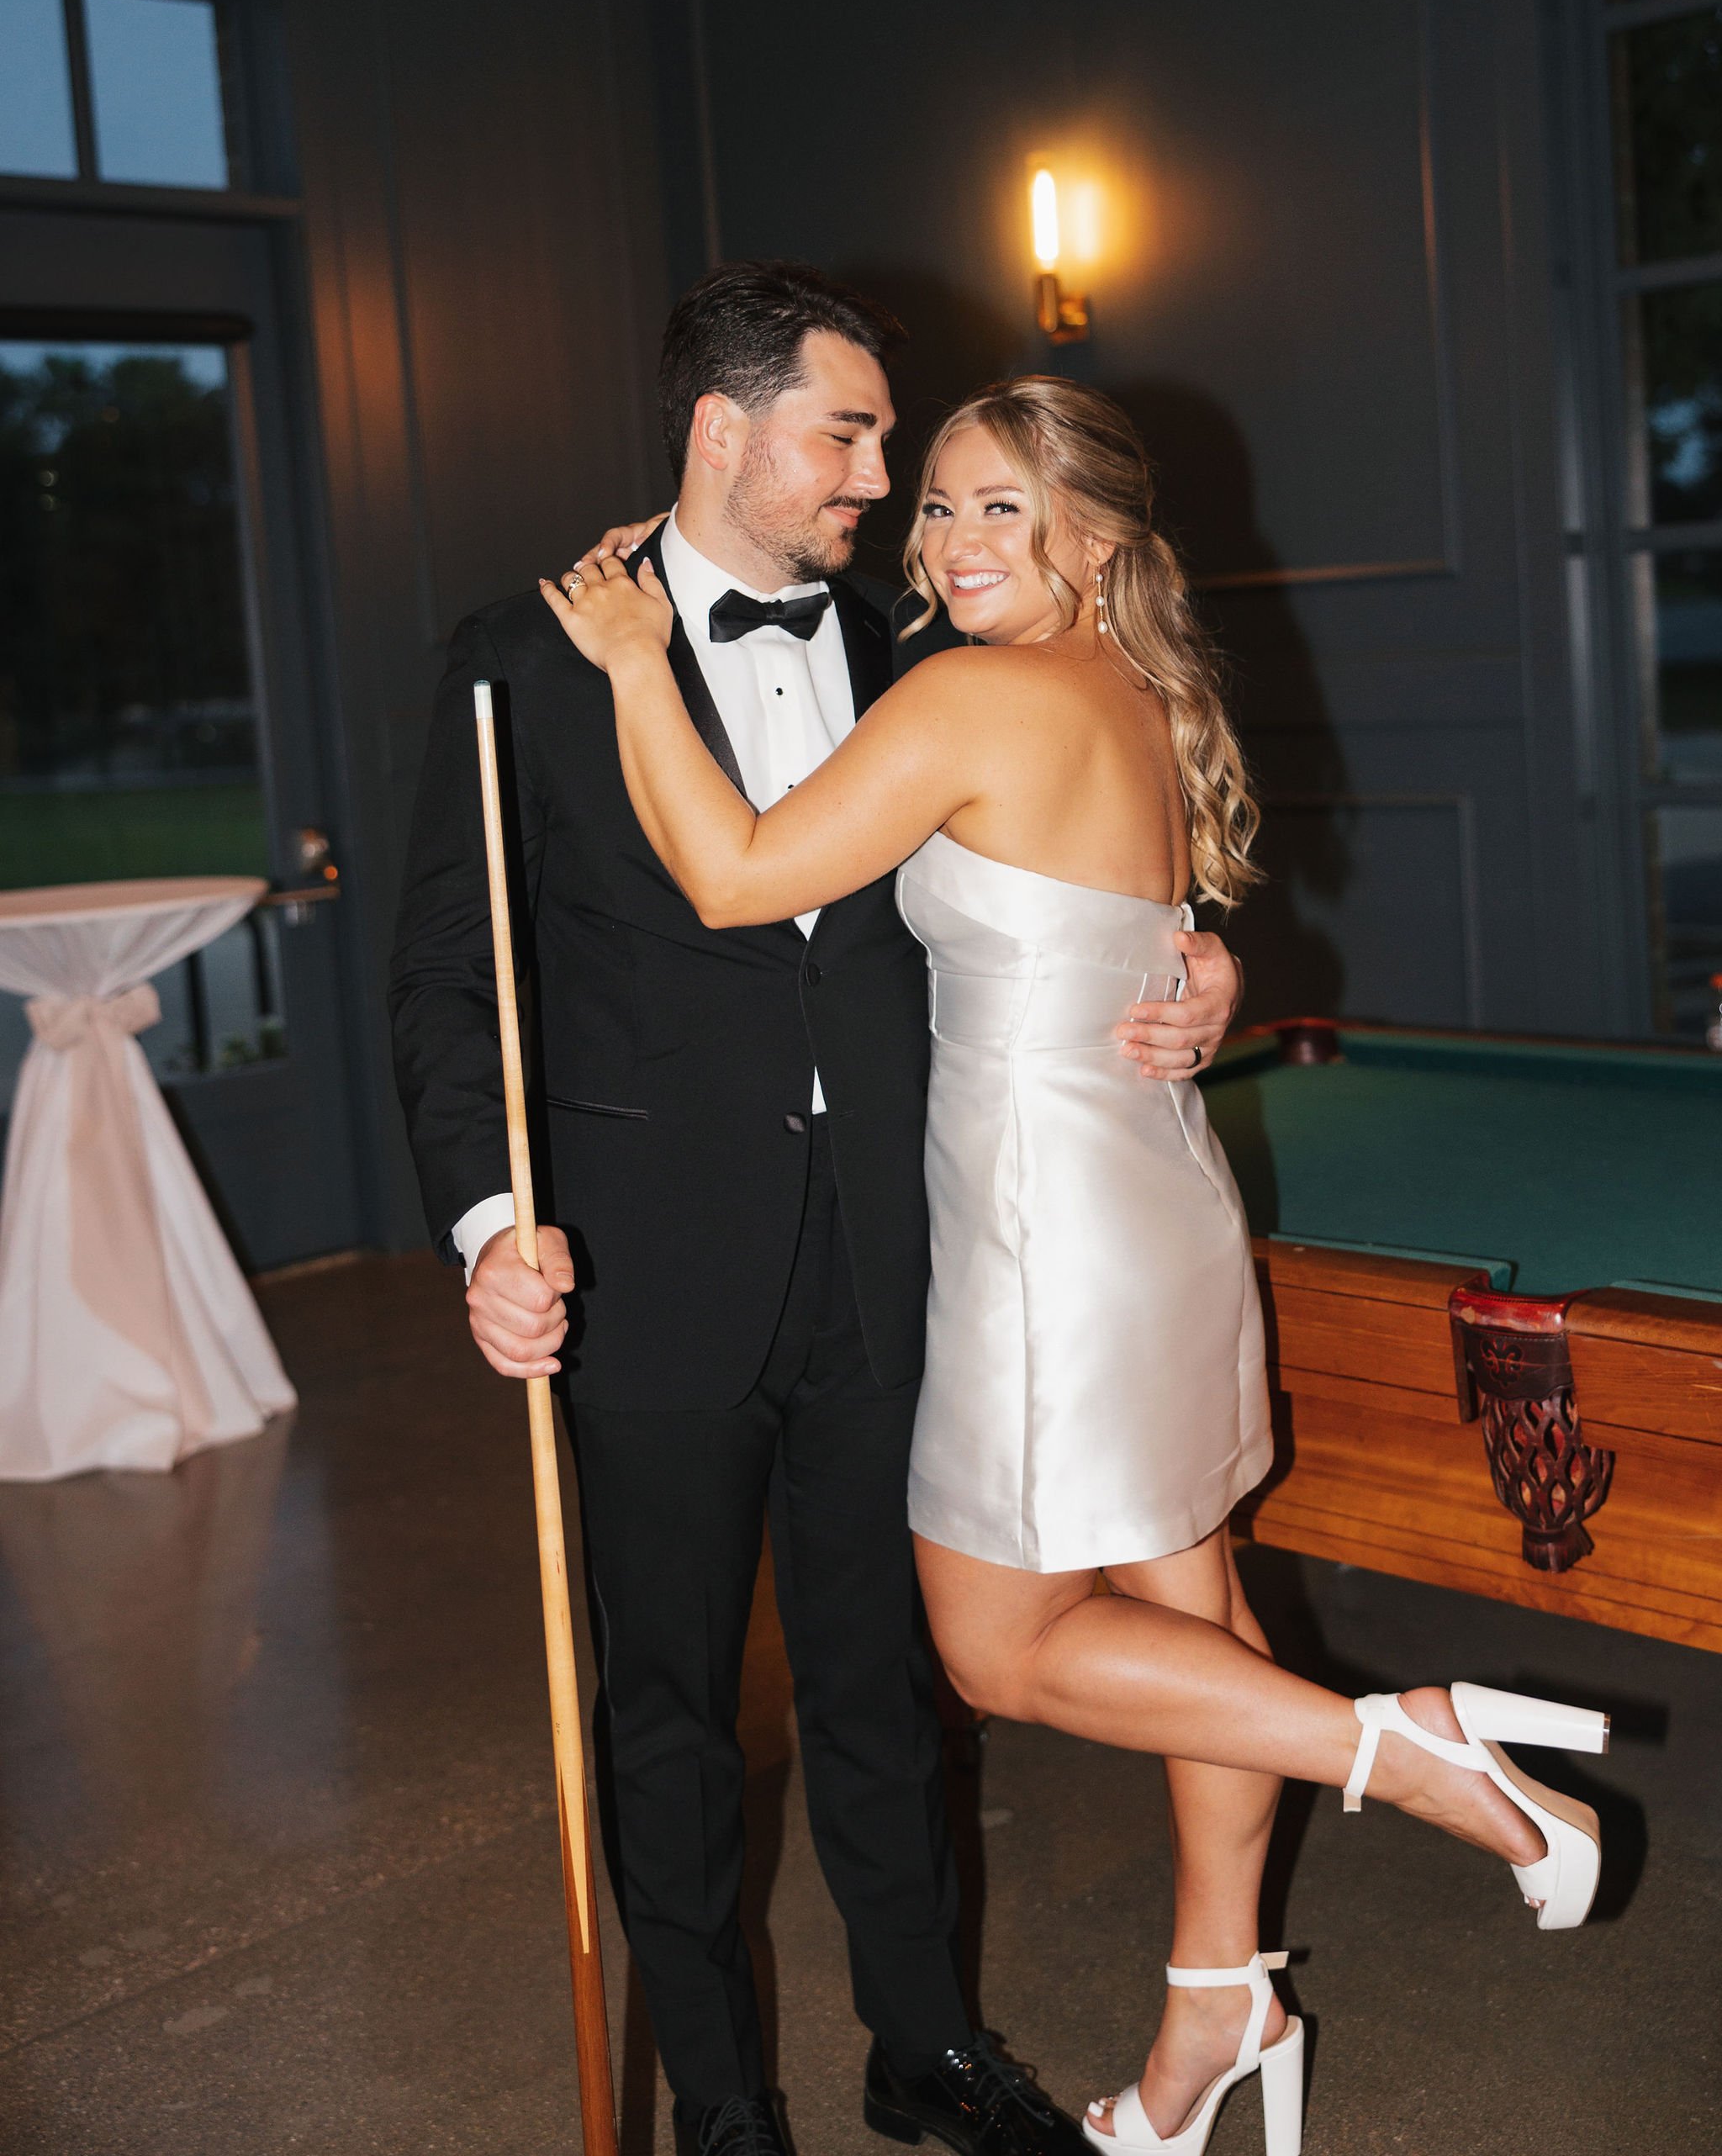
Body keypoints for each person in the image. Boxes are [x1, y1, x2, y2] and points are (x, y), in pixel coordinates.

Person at [542, 373, 1611, 2156]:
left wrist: (635, 662)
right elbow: (1158, 931)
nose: (947, 541)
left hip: (1044, 1234)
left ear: (1093, 537)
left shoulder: (972, 694)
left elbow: (736, 879)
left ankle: (1409, 1750)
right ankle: (1218, 2003)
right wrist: (1202, 978)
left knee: (999, 1652)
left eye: (997, 511)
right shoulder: (1140, 686)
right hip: (1154, 1206)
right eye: (936, 505)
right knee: (1190, 1620)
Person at [389, 265, 1247, 2156]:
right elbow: (451, 984)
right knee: (674, 1720)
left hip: (895, 1255)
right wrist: (483, 1231)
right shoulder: (518, 664)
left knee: (887, 1692)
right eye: (850, 435)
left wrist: (1197, 967)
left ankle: (923, 2044)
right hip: (641, 1268)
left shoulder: (922, 646)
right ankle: (720, 2102)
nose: (882, 478)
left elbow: (1087, 857)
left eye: (897, 449)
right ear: (728, 431)